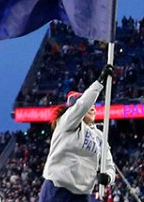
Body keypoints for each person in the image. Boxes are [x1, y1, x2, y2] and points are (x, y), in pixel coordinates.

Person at [39, 65, 116, 202]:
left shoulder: (99, 136)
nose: (92, 108)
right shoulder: (66, 122)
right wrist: (99, 84)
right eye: (89, 105)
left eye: (94, 105)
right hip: (58, 189)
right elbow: (82, 106)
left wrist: (108, 177)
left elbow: (109, 164)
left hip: (82, 195)